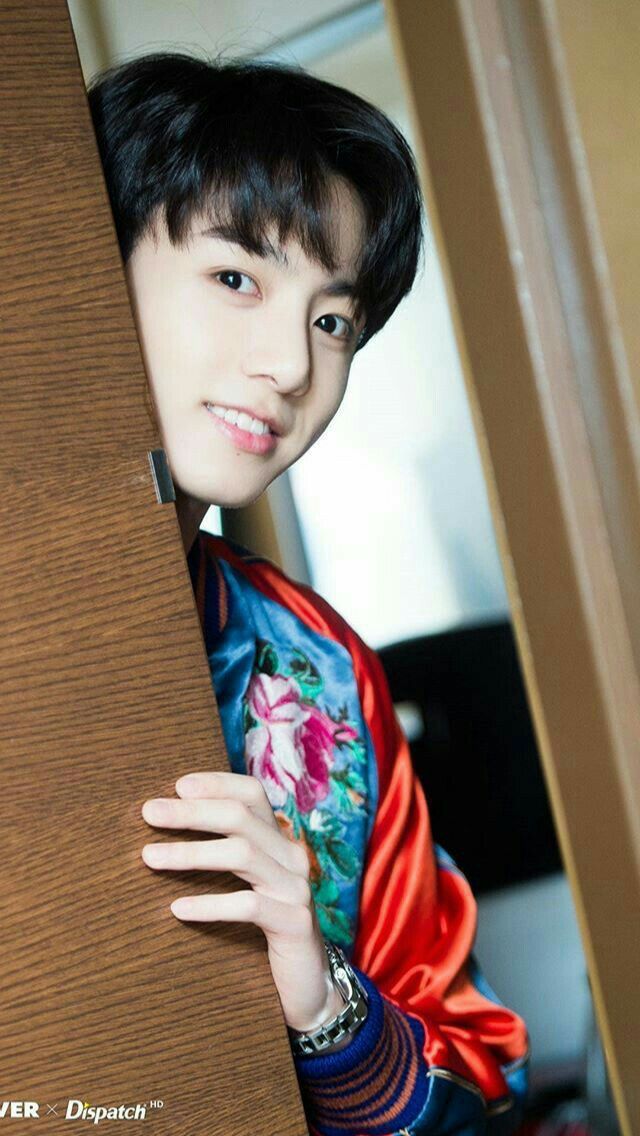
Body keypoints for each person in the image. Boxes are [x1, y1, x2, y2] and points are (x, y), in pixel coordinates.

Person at [87, 51, 530, 1136]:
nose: (290, 364)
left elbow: (473, 1081)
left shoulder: (319, 671)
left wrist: (327, 1006)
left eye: (332, 321)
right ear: (93, 264)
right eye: (238, 278)